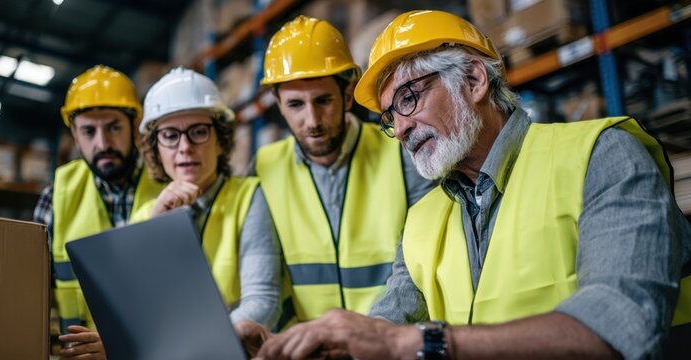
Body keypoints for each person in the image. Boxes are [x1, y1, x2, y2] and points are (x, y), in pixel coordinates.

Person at [254, 10, 691, 360]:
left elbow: (620, 328)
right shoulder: (423, 218)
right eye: (390, 117)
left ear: (474, 80)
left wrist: (422, 344)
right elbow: (388, 323)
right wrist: (324, 347)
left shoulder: (601, 156)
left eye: (408, 98)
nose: (401, 129)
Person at [56, 67, 283, 359]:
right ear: (155, 148)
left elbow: (263, 301)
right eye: (170, 135)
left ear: (221, 140)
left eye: (198, 132)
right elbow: (137, 314)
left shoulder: (248, 196)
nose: (184, 147)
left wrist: (188, 348)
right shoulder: (146, 215)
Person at [250, 15, 435, 331]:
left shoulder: (401, 152)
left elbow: (419, 265)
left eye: (323, 101)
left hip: (386, 340)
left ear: (347, 96)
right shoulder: (263, 168)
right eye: (295, 105)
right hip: (308, 346)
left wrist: (370, 338)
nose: (312, 120)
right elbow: (262, 279)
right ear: (277, 103)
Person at [32, 65, 164, 358]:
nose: (102, 143)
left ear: (134, 127)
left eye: (114, 127)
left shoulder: (168, 189)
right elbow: (29, 296)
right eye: (89, 131)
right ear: (75, 135)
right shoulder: (55, 198)